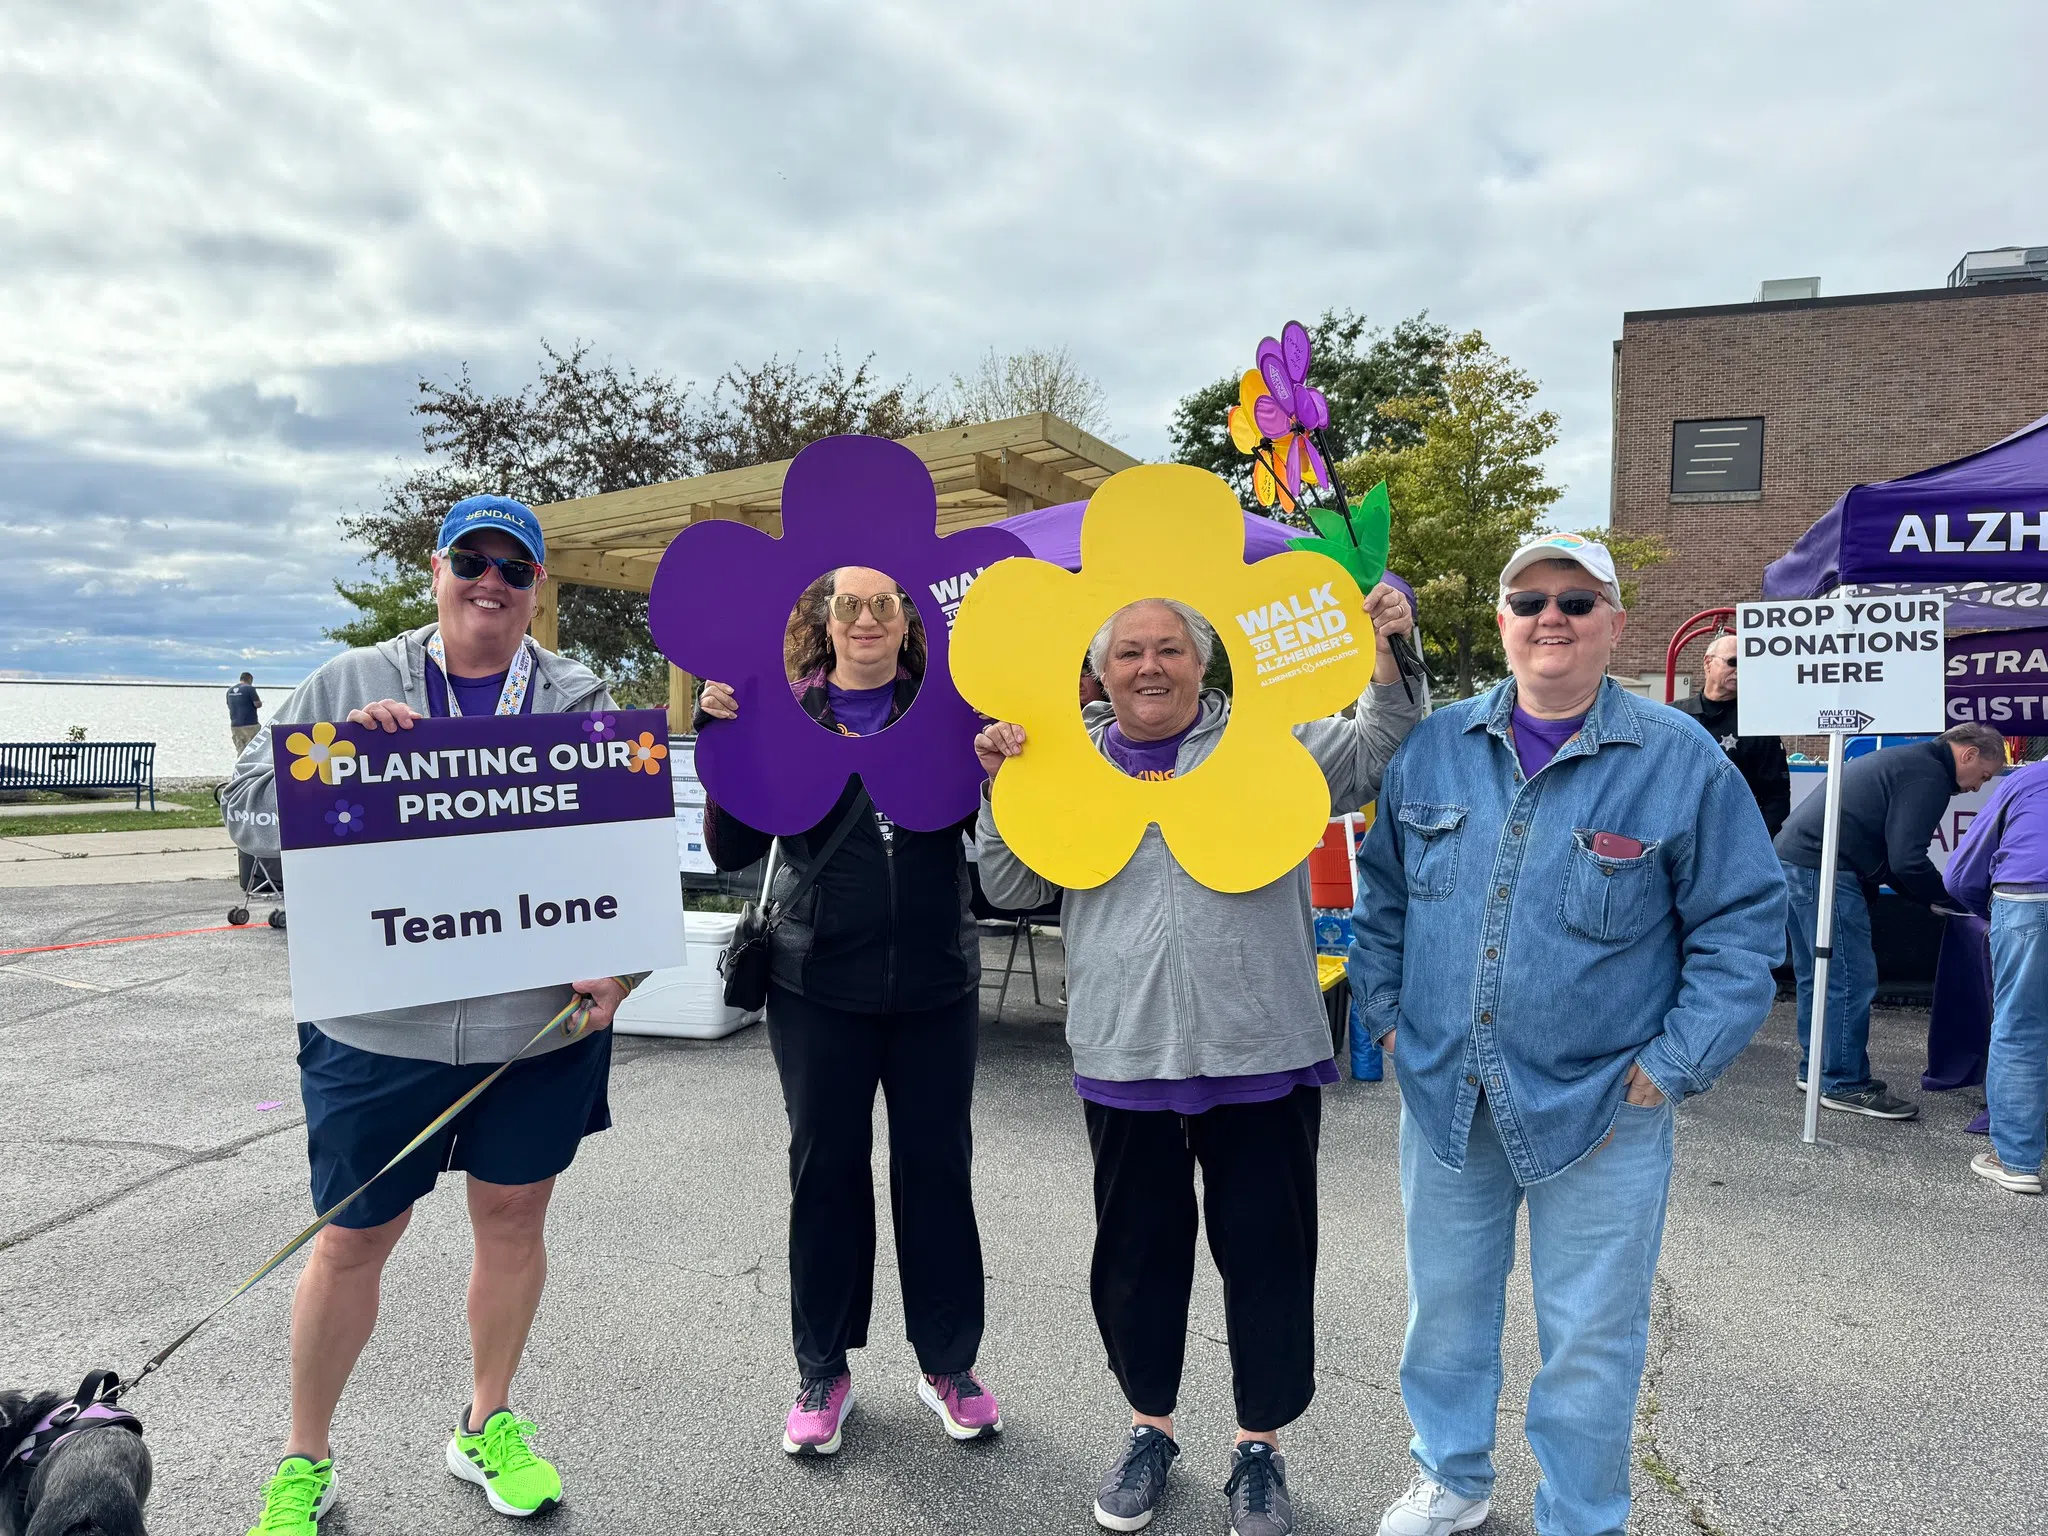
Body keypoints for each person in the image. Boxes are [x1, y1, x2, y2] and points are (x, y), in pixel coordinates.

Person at [1352, 533, 1784, 1536]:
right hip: (1444, 1091)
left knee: (1590, 1334)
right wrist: (1381, 1013)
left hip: (1603, 1107)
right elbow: (1380, 900)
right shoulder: (1434, 747)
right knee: (1444, 1314)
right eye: (1528, 597)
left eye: (1576, 602)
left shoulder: (1677, 761)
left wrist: (1671, 1063)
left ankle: (1582, 1516)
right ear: (1500, 621)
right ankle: (1449, 1477)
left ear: (1613, 625)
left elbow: (1740, 927)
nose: (1551, 615)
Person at [976, 582, 1427, 1536]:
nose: (1150, 667)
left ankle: (1259, 1449)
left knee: (1266, 1258)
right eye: (1129, 652)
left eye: (1171, 649)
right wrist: (1000, 785)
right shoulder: (1060, 757)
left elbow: (1382, 745)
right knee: (1137, 1263)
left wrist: (1391, 645)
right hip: (1125, 1050)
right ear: (1099, 672)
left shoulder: (1273, 744)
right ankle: (1150, 1430)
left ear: (1204, 662)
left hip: (1262, 1047)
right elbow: (1010, 882)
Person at [224, 494, 633, 1533]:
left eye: (515, 567)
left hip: (530, 1027)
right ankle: (302, 1461)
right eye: (472, 560)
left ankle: (485, 1423)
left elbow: (620, 860)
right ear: (436, 568)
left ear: (536, 587)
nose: (490, 581)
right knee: (355, 1237)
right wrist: (339, 767)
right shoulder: (348, 681)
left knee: (512, 1221)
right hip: (376, 1023)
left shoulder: (582, 695)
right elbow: (247, 819)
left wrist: (619, 971)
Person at [696, 566, 1003, 1459]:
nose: (866, 619)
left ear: (907, 622)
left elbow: (994, 830)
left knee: (937, 1173)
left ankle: (948, 1362)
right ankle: (823, 1369)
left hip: (936, 984)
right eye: (848, 606)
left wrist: (1002, 760)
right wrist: (724, 745)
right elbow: (732, 847)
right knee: (825, 1175)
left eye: (883, 604)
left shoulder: (951, 709)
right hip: (816, 986)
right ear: (824, 624)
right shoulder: (783, 714)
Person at [1774, 722, 2005, 1120]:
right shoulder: (1928, 776)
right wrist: (1945, 900)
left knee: (1819, 974)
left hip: (1798, 859)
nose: (1977, 788)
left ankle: (1817, 1071)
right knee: (1849, 977)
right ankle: (1844, 1083)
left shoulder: (1912, 762)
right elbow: (1907, 860)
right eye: (1983, 776)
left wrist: (1930, 898)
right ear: (1967, 754)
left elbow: (1897, 860)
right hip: (1826, 867)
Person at [1943, 756, 2047, 1195]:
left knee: (2020, 1029)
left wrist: (1987, 912)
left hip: (2027, 898)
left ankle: (2018, 1161)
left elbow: (1963, 869)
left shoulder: (2027, 779)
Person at [1675, 632, 1790, 835]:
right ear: (1708, 663)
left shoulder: (1758, 724)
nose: (1738, 671)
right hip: (1678, 833)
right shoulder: (1675, 715)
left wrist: (1756, 844)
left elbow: (1776, 797)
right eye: (1733, 662)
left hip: (1733, 836)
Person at [227, 671, 264, 757]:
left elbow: (229, 705)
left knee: (240, 751)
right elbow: (257, 704)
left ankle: (240, 768)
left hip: (235, 725)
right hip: (250, 724)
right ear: (250, 679)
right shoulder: (250, 689)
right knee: (253, 750)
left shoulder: (230, 690)